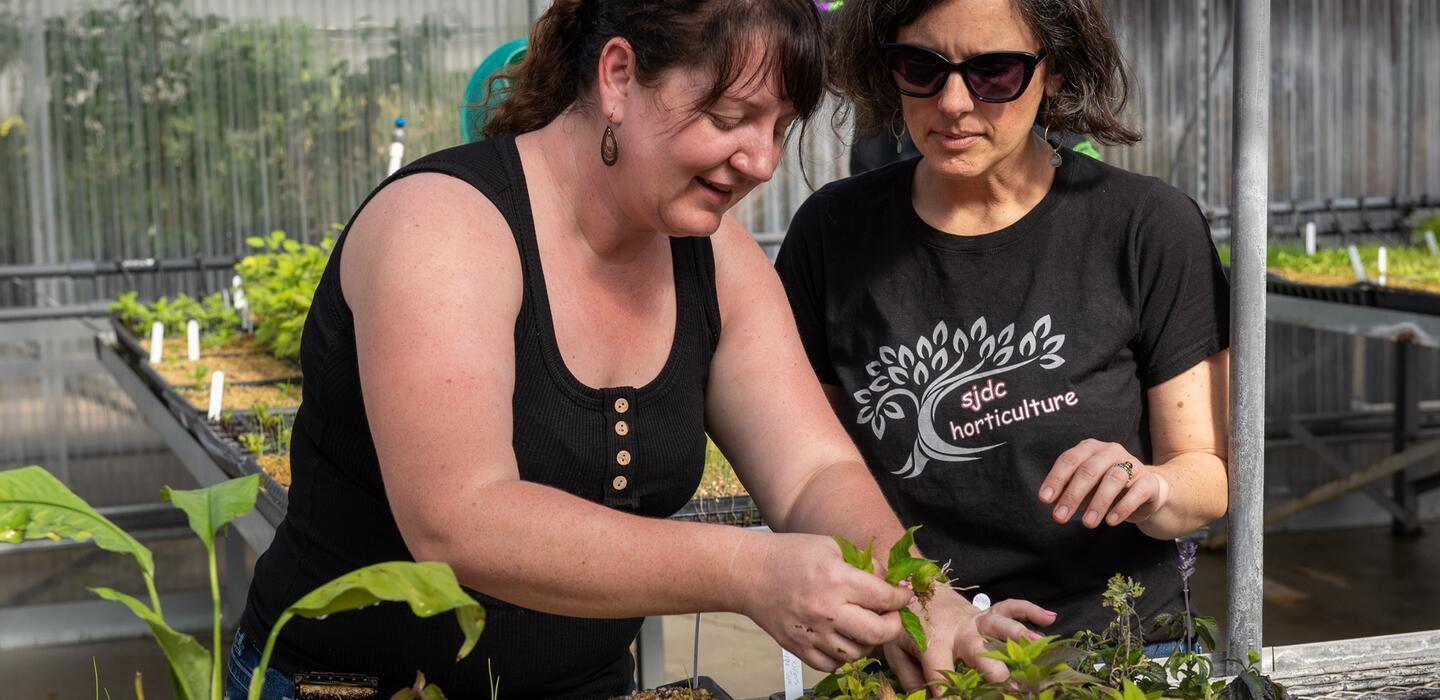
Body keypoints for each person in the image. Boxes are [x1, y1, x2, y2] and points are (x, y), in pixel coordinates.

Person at [225, 1, 1049, 698]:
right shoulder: (444, 225)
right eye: (730, 118)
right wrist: (750, 572)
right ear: (617, 77)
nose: (760, 160)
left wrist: (920, 594)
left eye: (778, 128)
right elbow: (459, 517)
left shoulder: (715, 258)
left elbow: (811, 473)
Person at [775, 0, 1231, 683]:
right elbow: (802, 466)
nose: (954, 102)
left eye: (994, 73)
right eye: (920, 69)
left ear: (1054, 72)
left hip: (1121, 657)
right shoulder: (833, 237)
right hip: (917, 656)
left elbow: (1209, 476)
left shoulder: (1145, 227)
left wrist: (1151, 485)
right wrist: (921, 603)